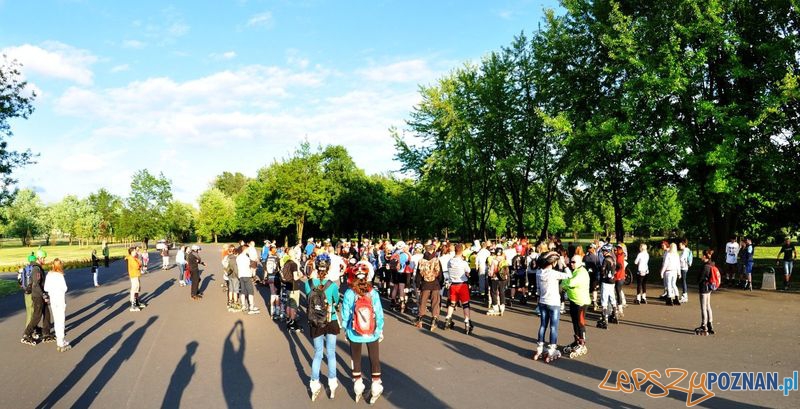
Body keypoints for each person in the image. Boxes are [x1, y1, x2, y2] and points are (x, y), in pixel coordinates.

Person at [341, 268, 385, 404]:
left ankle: (358, 384)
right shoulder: (373, 293)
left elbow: (346, 314)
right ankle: (376, 384)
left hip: (354, 332)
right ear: (367, 277)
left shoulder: (349, 292)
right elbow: (379, 313)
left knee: (356, 358)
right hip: (372, 332)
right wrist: (379, 330)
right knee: (374, 358)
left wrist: (345, 329)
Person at [304, 254, 340, 401]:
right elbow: (336, 301)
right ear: (328, 268)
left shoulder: (309, 283)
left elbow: (308, 298)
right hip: (330, 320)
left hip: (315, 321)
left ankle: (314, 382)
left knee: (318, 353)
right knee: (331, 352)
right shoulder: (332, 285)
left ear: (316, 267)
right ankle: (332, 382)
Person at [532, 251, 571, 362]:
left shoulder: (538, 272)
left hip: (542, 302)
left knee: (543, 325)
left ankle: (539, 348)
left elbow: (538, 289)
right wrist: (564, 264)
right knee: (553, 327)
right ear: (553, 263)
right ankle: (552, 349)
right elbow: (569, 275)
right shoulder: (554, 273)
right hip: (554, 303)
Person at [561, 254, 590, 358]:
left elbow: (570, 283)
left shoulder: (581, 272)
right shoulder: (575, 271)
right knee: (574, 322)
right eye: (571, 262)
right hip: (574, 300)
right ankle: (577, 340)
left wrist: (565, 283)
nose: (571, 264)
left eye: (574, 262)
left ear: (579, 262)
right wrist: (565, 283)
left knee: (580, 323)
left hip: (581, 302)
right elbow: (565, 282)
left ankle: (582, 343)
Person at [443, 243, 474, 334]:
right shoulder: (463, 262)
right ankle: (467, 322)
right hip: (462, 284)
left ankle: (448, 319)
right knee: (465, 304)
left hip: (453, 285)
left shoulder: (450, 261)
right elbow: (468, 271)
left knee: (452, 303)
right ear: (462, 251)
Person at [20, 257, 52, 345]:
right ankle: (26, 334)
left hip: (41, 295)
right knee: (37, 316)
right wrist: (43, 295)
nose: (45, 260)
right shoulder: (36, 269)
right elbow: (35, 285)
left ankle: (46, 333)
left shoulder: (38, 268)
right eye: (44, 258)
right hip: (37, 296)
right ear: (39, 258)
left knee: (47, 313)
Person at [44, 259, 70, 352]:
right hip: (60, 299)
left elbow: (46, 288)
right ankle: (61, 341)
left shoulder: (49, 275)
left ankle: (59, 341)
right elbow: (65, 288)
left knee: (56, 320)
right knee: (61, 320)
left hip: (53, 300)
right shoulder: (60, 275)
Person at [414, 245, 443, 330]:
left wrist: (418, 285)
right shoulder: (436, 260)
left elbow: (418, 275)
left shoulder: (421, 261)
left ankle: (420, 319)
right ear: (433, 250)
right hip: (435, 284)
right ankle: (434, 320)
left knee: (422, 302)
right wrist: (441, 283)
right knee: (435, 303)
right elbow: (440, 274)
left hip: (425, 284)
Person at [282, 248, 303, 332]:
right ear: (294, 254)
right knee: (294, 305)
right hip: (294, 287)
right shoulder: (294, 264)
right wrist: (300, 275)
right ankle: (292, 323)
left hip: (287, 285)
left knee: (288, 304)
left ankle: (289, 320)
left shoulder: (286, 263)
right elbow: (295, 277)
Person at [596, 245, 618, 329]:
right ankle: (615, 315)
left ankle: (604, 320)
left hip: (605, 282)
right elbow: (618, 266)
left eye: (604, 251)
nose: (603, 252)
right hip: (612, 282)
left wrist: (601, 271)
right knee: (612, 298)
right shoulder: (613, 259)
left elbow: (602, 270)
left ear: (607, 251)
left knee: (604, 300)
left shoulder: (606, 260)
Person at [696, 249, 717, 335]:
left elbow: (700, 278)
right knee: (708, 306)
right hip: (709, 287)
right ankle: (710, 324)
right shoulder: (712, 264)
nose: (701, 256)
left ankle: (704, 325)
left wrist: (698, 280)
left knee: (703, 307)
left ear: (705, 256)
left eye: (702, 255)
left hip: (704, 287)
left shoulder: (705, 267)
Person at [237, 243, 260, 314]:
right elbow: (249, 266)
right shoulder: (246, 258)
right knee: (250, 292)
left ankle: (243, 306)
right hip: (247, 275)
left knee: (243, 291)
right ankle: (251, 308)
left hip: (241, 275)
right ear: (246, 250)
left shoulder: (238, 257)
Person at [486, 248, 509, 316]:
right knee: (502, 291)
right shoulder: (504, 261)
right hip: (503, 279)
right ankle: (502, 306)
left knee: (493, 292)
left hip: (495, 278)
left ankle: (495, 307)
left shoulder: (494, 261)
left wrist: (489, 274)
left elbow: (491, 272)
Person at [125, 247, 145, 311]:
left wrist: (139, 263)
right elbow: (136, 266)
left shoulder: (134, 257)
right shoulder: (131, 258)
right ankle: (133, 306)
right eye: (134, 251)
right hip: (134, 275)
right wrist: (139, 264)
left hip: (136, 275)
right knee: (134, 289)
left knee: (137, 289)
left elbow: (140, 263)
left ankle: (137, 302)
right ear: (131, 252)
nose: (135, 252)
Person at [613, 244, 627, 316]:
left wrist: (614, 271)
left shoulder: (618, 257)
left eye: (615, 250)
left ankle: (619, 309)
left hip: (618, 277)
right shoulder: (622, 255)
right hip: (622, 277)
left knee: (617, 293)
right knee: (619, 292)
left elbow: (619, 266)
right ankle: (620, 308)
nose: (614, 251)